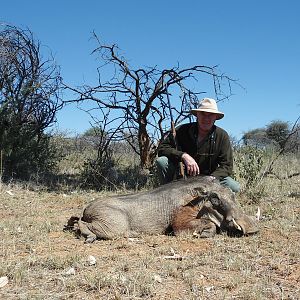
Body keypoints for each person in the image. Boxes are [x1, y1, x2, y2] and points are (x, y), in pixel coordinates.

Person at [156, 98, 240, 193]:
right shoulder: (181, 130)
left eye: (210, 115)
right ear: (197, 115)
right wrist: (183, 156)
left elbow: (227, 166)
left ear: (215, 117)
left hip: (209, 178)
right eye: (203, 114)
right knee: (162, 161)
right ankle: (167, 193)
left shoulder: (222, 135)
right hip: (183, 176)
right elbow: (162, 149)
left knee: (234, 187)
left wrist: (212, 178)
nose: (206, 118)